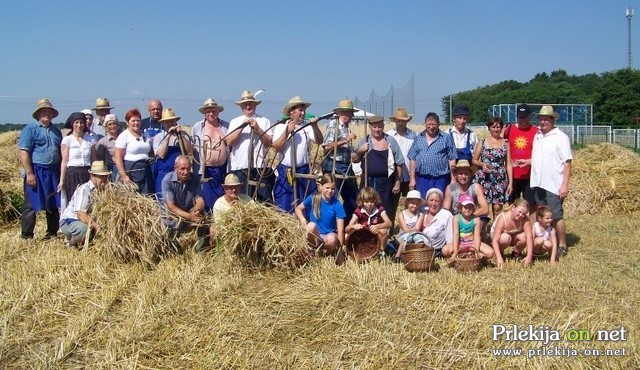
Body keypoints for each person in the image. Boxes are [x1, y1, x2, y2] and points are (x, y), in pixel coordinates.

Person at [530, 105, 572, 257]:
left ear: (553, 120)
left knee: (556, 215)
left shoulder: (561, 137)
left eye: (546, 119)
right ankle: (538, 240)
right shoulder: (538, 135)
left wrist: (564, 185)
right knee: (539, 212)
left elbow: (567, 162)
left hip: (554, 184)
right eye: (540, 119)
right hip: (538, 181)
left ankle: (562, 244)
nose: (542, 122)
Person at [18, 98, 63, 240]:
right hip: (36, 170)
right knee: (31, 204)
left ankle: (52, 233)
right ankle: (27, 235)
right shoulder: (30, 129)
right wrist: (30, 173)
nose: (46, 114)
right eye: (43, 111)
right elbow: (24, 151)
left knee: (52, 203)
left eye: (49, 111)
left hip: (53, 170)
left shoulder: (56, 131)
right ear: (38, 114)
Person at [272, 96, 323, 213]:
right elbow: (276, 147)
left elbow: (319, 141)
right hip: (286, 172)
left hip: (304, 171)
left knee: (306, 204)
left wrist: (315, 126)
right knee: (285, 204)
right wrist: (287, 132)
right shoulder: (281, 127)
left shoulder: (307, 127)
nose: (303, 113)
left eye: (303, 110)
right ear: (291, 112)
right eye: (300, 110)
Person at [352, 115, 404, 224]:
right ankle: (366, 231)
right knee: (366, 206)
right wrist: (361, 150)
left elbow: (399, 162)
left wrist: (397, 182)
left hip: (386, 183)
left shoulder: (390, 141)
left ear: (383, 126)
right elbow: (354, 159)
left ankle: (385, 233)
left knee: (386, 208)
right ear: (370, 127)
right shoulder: (365, 141)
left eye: (379, 127)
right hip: (368, 181)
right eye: (374, 127)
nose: (377, 130)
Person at [226, 91, 274, 203]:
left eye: (251, 104)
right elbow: (229, 142)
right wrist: (242, 126)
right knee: (242, 200)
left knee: (264, 201)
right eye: (245, 104)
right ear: (241, 106)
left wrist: (257, 128)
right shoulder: (235, 121)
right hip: (241, 167)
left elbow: (268, 142)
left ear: (255, 105)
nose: (248, 106)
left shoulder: (264, 121)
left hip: (261, 167)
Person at [161, 155, 210, 252]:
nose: (185, 172)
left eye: (188, 169)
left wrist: (197, 210)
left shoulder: (195, 179)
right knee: (170, 224)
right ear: (175, 168)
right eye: (182, 169)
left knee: (202, 217)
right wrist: (189, 216)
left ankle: (200, 250)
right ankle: (172, 250)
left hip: (187, 210)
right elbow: (170, 206)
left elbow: (199, 199)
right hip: (171, 213)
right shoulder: (167, 180)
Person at [294, 173, 346, 263]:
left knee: (332, 239)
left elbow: (340, 229)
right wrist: (303, 219)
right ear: (321, 186)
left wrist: (340, 250)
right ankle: (311, 249)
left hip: (328, 236)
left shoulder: (337, 205)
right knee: (311, 225)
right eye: (327, 188)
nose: (330, 191)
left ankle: (327, 255)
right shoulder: (313, 198)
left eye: (333, 189)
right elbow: (298, 208)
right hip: (315, 236)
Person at [322, 100, 359, 220]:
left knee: (352, 197)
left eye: (350, 113)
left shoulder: (346, 127)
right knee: (332, 196)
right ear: (340, 113)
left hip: (345, 165)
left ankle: (347, 223)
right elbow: (327, 146)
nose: (349, 115)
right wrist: (346, 140)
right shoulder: (334, 124)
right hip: (335, 166)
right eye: (346, 112)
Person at [59, 161, 110, 247]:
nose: (104, 180)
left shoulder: (104, 190)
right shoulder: (84, 189)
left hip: (87, 220)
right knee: (85, 230)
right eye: (101, 177)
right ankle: (70, 243)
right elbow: (80, 214)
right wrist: (96, 226)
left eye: (105, 177)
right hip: (71, 220)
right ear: (92, 176)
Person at [191, 98, 230, 210]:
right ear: (204, 113)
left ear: (218, 112)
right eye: (208, 111)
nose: (211, 113)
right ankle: (208, 223)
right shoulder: (197, 127)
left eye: (213, 111)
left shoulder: (226, 126)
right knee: (206, 198)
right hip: (204, 170)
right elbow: (191, 147)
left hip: (222, 169)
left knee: (223, 199)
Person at [407, 112, 457, 197]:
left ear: (439, 124)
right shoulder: (418, 138)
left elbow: (452, 159)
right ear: (425, 124)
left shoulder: (446, 138)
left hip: (440, 179)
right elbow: (412, 158)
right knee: (422, 203)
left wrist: (453, 180)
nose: (431, 127)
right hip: (422, 179)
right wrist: (412, 179)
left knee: (439, 202)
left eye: (434, 124)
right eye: (429, 124)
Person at [472, 117, 513, 218]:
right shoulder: (482, 142)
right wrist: (482, 164)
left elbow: (508, 164)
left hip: (499, 178)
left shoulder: (506, 143)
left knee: (498, 207)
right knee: (482, 206)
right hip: (484, 177)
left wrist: (510, 183)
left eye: (498, 127)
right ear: (489, 128)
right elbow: (474, 160)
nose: (496, 129)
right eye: (493, 127)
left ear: (502, 128)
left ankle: (495, 230)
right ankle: (481, 230)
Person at [386, 107, 417, 224]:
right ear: (395, 121)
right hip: (393, 176)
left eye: (403, 120)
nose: (401, 123)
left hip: (410, 175)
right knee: (391, 203)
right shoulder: (388, 136)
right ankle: (389, 228)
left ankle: (409, 226)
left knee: (410, 203)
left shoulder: (414, 136)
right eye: (398, 120)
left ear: (407, 121)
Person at [153, 108, 193, 200]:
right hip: (163, 173)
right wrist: (168, 136)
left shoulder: (182, 136)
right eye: (167, 122)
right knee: (164, 200)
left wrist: (181, 135)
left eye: (171, 121)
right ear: (163, 124)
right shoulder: (159, 137)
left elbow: (189, 151)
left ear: (175, 122)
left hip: (178, 174)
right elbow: (161, 154)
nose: (169, 124)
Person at [504, 104, 537, 211]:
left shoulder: (536, 131)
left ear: (530, 116)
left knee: (531, 204)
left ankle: (530, 227)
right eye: (520, 117)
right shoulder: (509, 130)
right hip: (513, 175)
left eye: (525, 117)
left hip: (530, 175)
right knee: (513, 204)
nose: (523, 119)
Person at [441, 193, 494, 260]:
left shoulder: (476, 219)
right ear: (460, 208)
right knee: (445, 250)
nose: (467, 209)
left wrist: (476, 251)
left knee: (490, 252)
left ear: (473, 208)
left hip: (472, 244)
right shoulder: (456, 218)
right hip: (460, 244)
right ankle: (459, 255)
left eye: (470, 207)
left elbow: (477, 236)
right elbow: (456, 235)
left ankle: (474, 255)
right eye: (465, 207)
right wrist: (455, 251)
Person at [115, 108, 154, 194]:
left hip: (146, 169)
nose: (136, 123)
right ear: (127, 122)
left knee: (147, 196)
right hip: (132, 170)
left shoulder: (145, 134)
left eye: (138, 120)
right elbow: (118, 158)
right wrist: (124, 176)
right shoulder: (124, 136)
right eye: (133, 120)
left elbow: (151, 152)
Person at [58, 112, 92, 210]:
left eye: (81, 122)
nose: (79, 125)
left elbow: (93, 160)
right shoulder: (67, 140)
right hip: (72, 173)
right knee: (73, 201)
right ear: (72, 124)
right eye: (76, 122)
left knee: (87, 201)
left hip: (87, 172)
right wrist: (62, 180)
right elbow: (64, 161)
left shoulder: (90, 140)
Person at [345, 187, 393, 254]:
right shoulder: (359, 210)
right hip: (363, 236)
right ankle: (352, 252)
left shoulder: (379, 208)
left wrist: (377, 226)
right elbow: (347, 229)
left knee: (383, 231)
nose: (369, 204)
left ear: (375, 200)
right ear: (362, 201)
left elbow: (389, 223)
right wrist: (354, 226)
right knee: (346, 235)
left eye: (371, 201)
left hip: (375, 234)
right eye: (366, 202)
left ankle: (381, 252)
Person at [491, 198, 534, 269]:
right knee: (505, 238)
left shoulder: (525, 219)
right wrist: (499, 258)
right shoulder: (503, 218)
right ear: (513, 208)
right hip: (501, 238)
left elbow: (529, 237)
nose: (521, 215)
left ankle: (516, 253)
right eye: (519, 212)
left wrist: (529, 256)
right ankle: (499, 253)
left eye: (523, 214)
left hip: (513, 236)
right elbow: (495, 240)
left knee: (524, 237)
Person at [211, 173, 254, 240]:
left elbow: (255, 217)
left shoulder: (248, 200)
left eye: (236, 187)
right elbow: (219, 224)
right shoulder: (219, 204)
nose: (234, 190)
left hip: (246, 232)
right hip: (226, 234)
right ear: (225, 189)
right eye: (231, 188)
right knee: (214, 229)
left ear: (240, 187)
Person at [393, 190, 426, 259]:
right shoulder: (401, 214)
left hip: (415, 234)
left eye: (417, 204)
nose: (415, 206)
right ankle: (398, 255)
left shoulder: (420, 214)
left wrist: (414, 230)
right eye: (412, 203)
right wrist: (412, 230)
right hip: (403, 236)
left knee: (418, 237)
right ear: (407, 202)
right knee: (407, 236)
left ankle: (421, 253)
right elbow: (405, 229)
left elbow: (417, 228)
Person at [420, 188, 453, 257]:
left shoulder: (446, 215)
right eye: (431, 200)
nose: (433, 203)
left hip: (434, 250)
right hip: (417, 248)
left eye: (437, 201)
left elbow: (450, 238)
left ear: (441, 202)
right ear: (427, 201)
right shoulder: (422, 211)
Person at [94, 114, 121, 181]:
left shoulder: (123, 138)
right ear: (106, 127)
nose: (112, 126)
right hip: (112, 169)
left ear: (117, 126)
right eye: (110, 124)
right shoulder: (102, 142)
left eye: (114, 124)